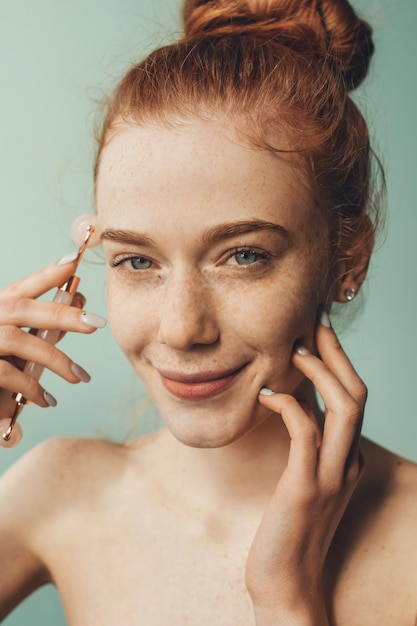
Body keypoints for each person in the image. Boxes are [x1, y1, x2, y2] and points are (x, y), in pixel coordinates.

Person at [0, 0, 416, 624]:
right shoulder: (58, 493)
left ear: (347, 258)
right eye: (137, 261)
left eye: (243, 256)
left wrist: (285, 600)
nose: (181, 329)